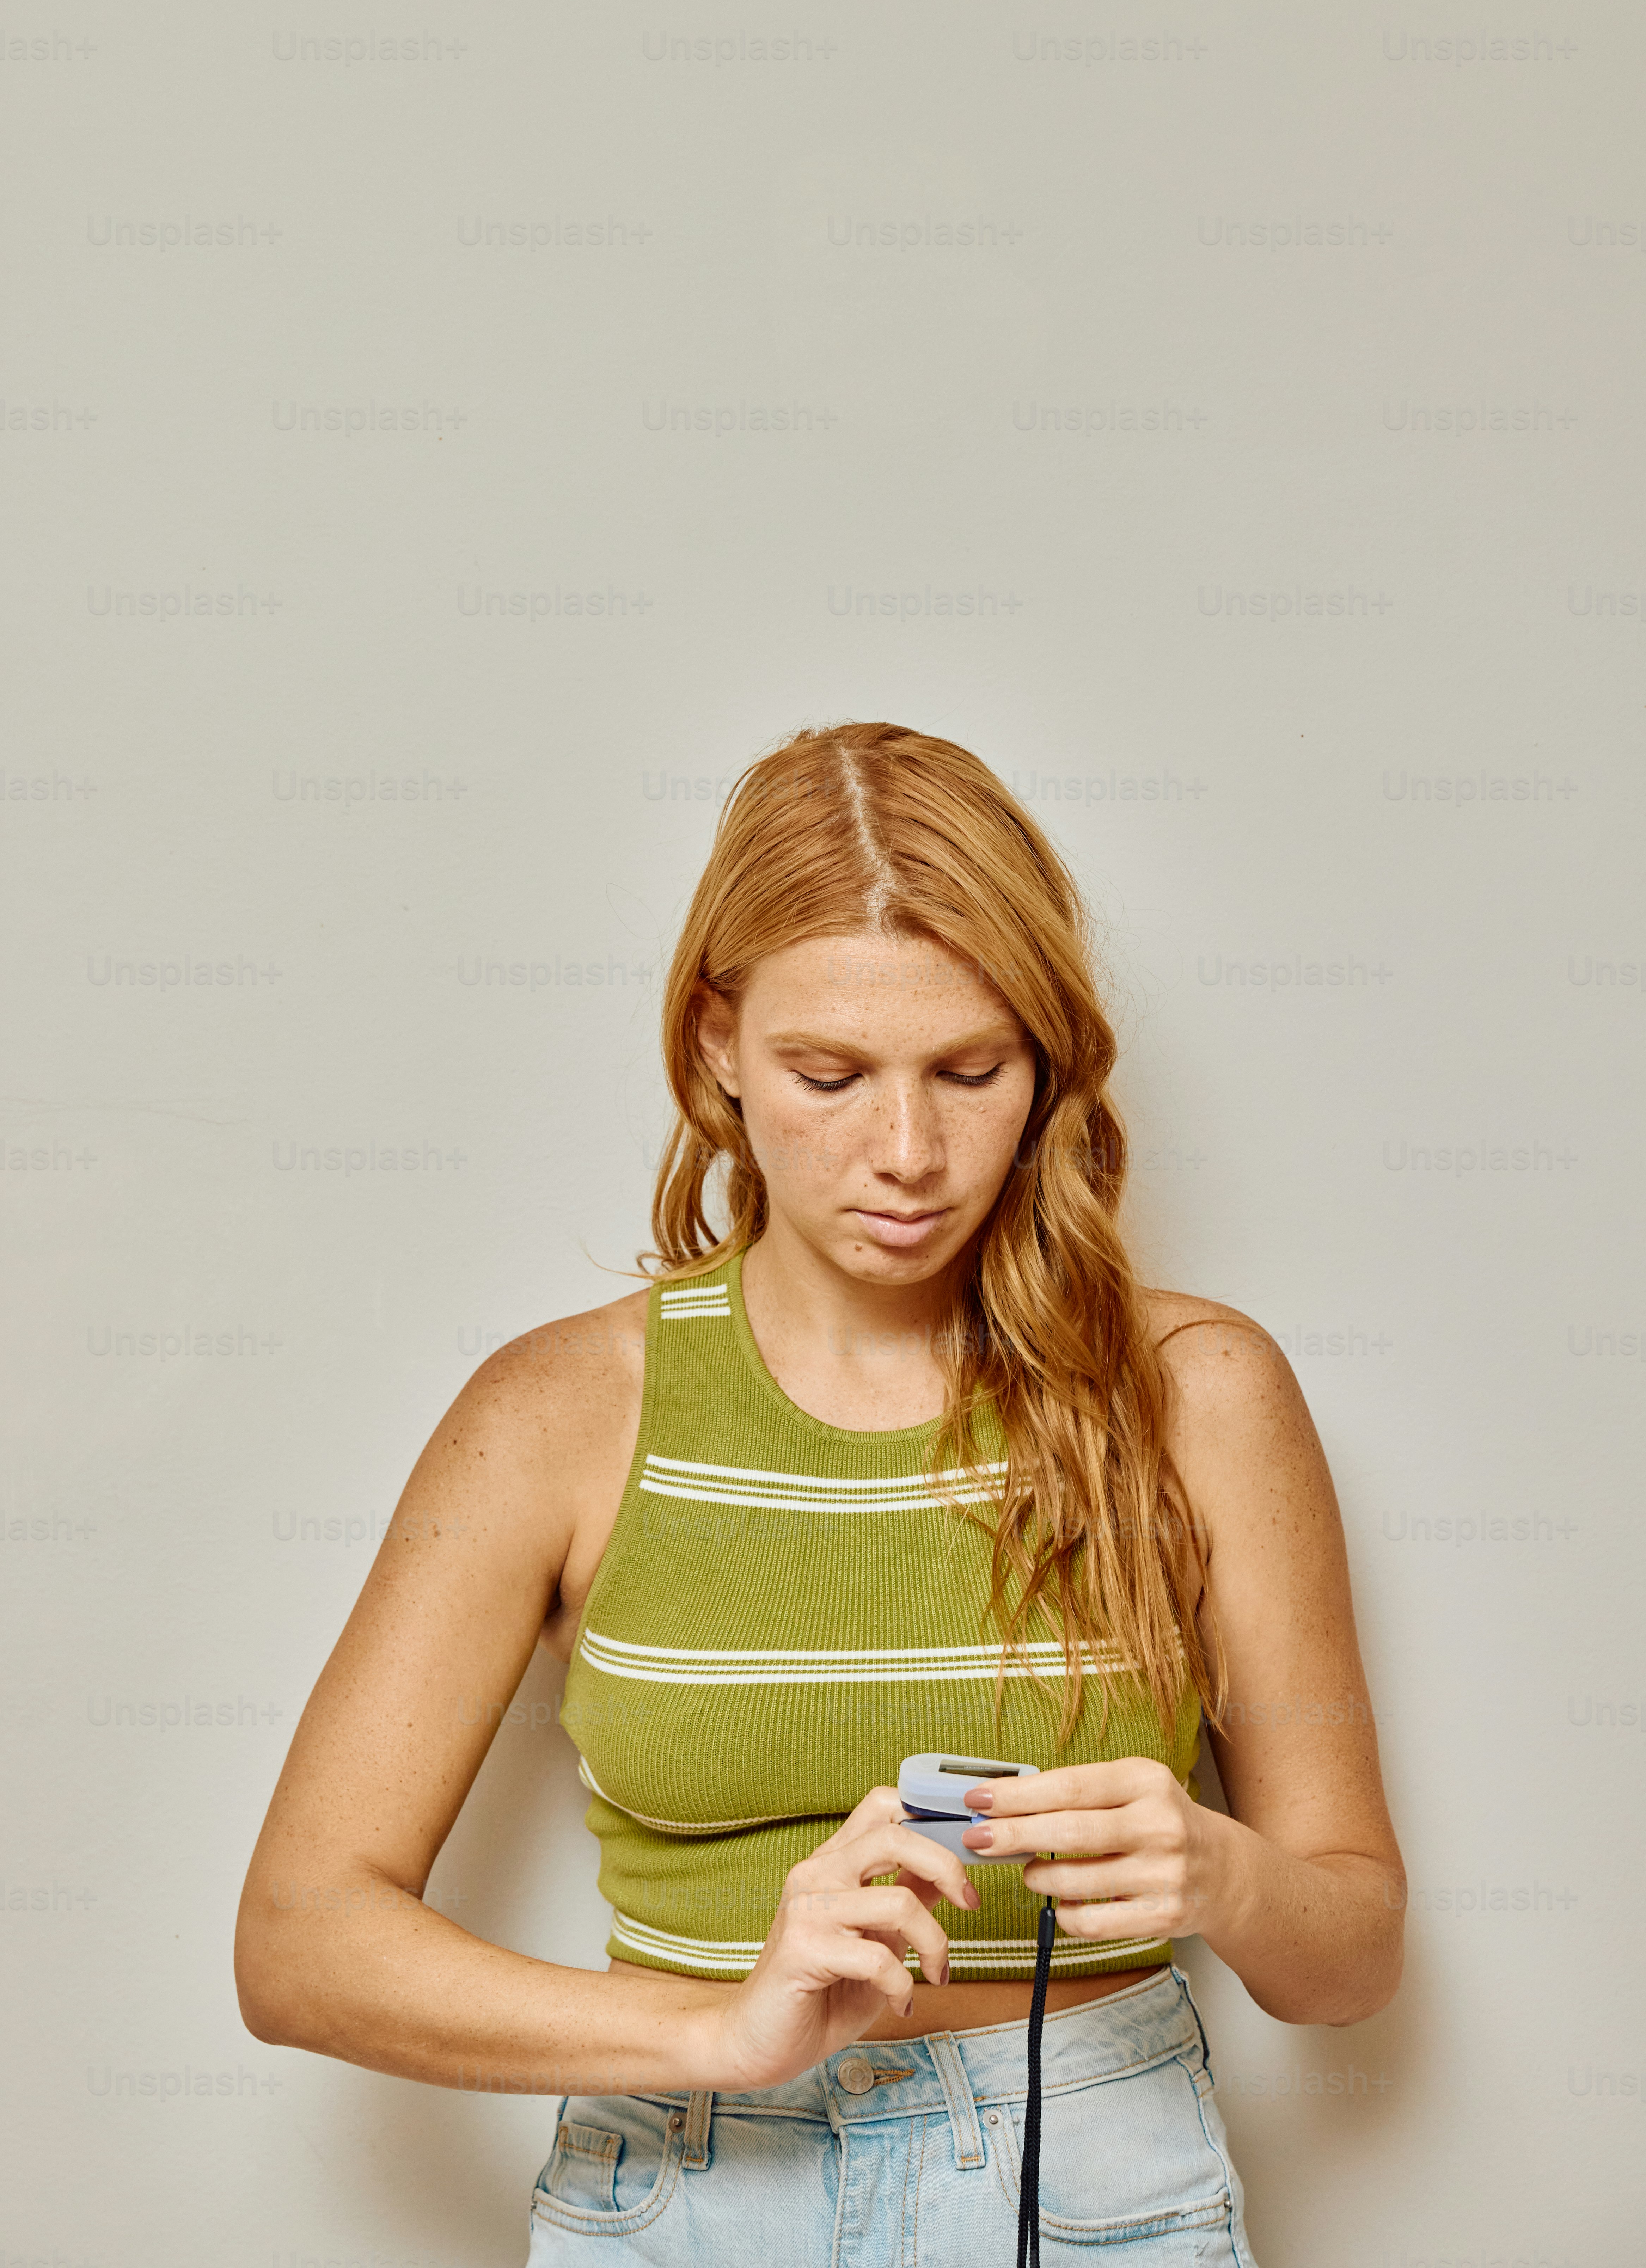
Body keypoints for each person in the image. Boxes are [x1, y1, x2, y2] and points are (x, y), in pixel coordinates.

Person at [235, 721, 1405, 2266]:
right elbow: (300, 1943)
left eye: (969, 1070)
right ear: (716, 1042)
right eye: (828, 1073)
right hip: (684, 2184)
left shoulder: (1202, 1393)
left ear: (1047, 1055)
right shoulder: (557, 1411)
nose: (907, 1153)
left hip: (1095, 2169)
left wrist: (1225, 1868)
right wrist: (721, 2033)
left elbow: (1349, 1959)